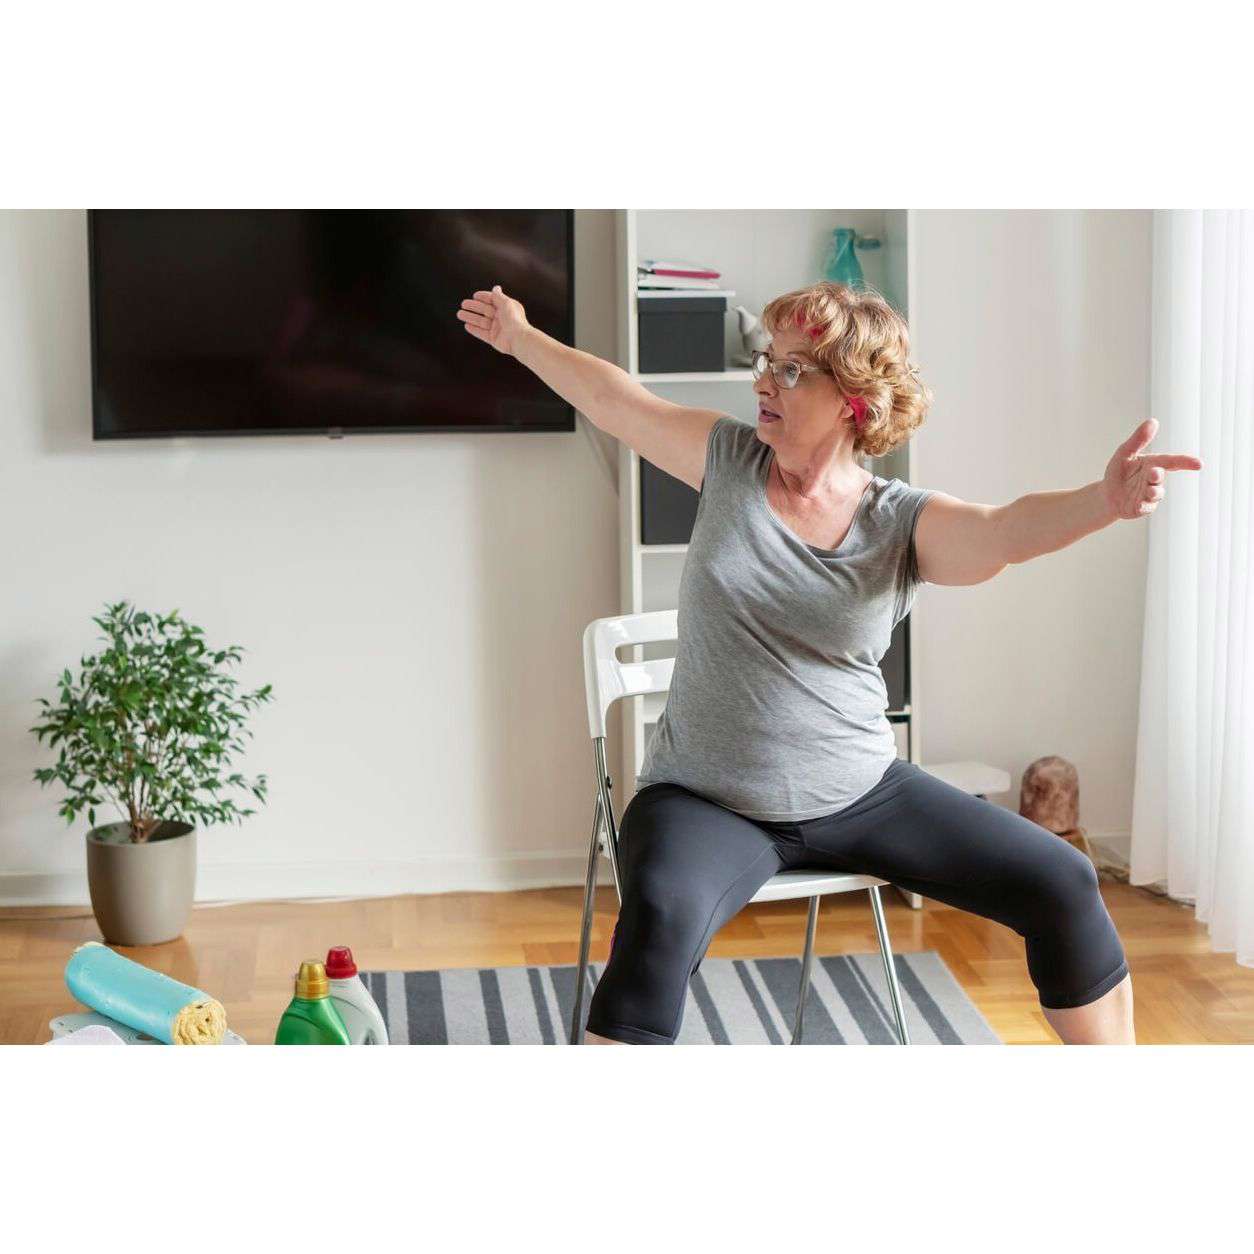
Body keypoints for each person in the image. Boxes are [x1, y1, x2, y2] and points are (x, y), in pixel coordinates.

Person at [457, 279, 1203, 1045]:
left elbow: (1005, 529)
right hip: (706, 798)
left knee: (1065, 880)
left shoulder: (897, 523)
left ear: (854, 398)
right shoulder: (728, 461)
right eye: (766, 362)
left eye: (792, 370)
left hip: (861, 792)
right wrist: (519, 335)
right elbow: (619, 401)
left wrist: (1102, 502)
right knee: (660, 918)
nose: (764, 383)